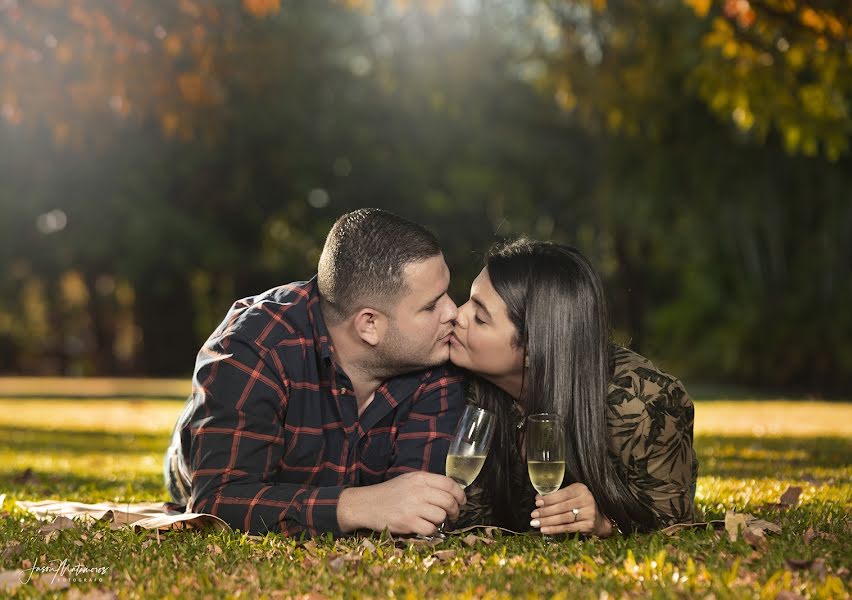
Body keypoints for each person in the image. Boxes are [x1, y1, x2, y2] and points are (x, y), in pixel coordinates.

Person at [164, 208, 467, 538]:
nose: (454, 311)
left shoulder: (432, 355)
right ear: (369, 324)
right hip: (195, 466)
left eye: (447, 293)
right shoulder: (255, 346)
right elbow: (217, 502)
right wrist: (357, 506)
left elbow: (419, 507)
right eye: (430, 305)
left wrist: (396, 507)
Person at [449, 239, 698, 536]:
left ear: (533, 348)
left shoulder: (645, 405)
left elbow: (674, 525)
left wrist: (607, 523)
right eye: (468, 300)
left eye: (479, 317)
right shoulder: (470, 389)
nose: (456, 314)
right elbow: (469, 517)